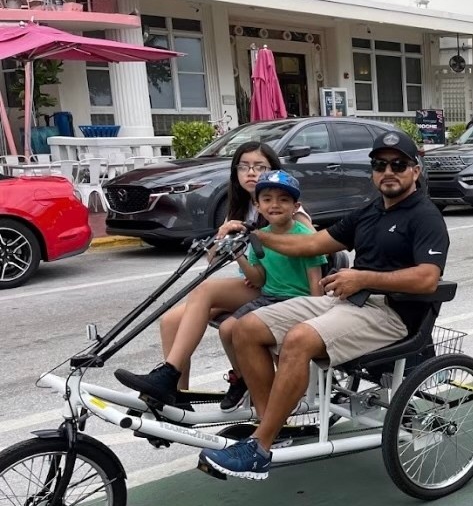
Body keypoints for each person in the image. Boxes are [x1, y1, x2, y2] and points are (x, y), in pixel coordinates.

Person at [198, 130, 448, 480]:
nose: (388, 171)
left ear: (415, 171)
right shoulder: (371, 211)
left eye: (398, 164)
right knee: (245, 328)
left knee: (299, 340)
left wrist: (363, 278)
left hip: (391, 312)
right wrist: (255, 235)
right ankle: (271, 426)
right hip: (347, 300)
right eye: (380, 164)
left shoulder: (425, 215)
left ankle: (259, 447)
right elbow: (312, 244)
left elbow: (427, 278)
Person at [113, 143, 314, 411]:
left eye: (259, 167)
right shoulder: (241, 208)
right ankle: (173, 398)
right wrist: (223, 235)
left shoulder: (290, 211)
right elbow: (215, 260)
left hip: (274, 286)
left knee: (206, 290)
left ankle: (176, 374)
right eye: (244, 166)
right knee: (170, 321)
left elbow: (315, 245)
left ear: (273, 170)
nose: (250, 173)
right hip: (251, 281)